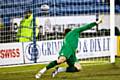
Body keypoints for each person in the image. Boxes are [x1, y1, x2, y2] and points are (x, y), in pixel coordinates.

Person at [35, 18, 103, 79]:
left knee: (78, 68)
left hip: (72, 53)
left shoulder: (71, 35)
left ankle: (59, 69)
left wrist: (75, 50)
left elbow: (72, 42)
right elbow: (86, 27)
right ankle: (41, 71)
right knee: (60, 61)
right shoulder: (74, 32)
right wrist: (96, 23)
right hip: (67, 50)